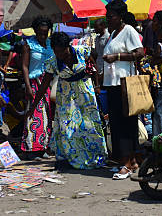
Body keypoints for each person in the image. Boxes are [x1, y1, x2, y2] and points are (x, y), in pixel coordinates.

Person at [27, 32, 107, 169]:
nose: (58, 54)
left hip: (85, 92)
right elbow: (44, 85)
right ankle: (72, 157)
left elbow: (94, 63)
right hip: (65, 96)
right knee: (68, 127)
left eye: (61, 51)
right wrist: (33, 106)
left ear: (67, 47)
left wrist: (97, 84)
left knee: (89, 124)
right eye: (55, 51)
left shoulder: (82, 51)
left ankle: (94, 155)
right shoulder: (52, 62)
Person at [101, 0, 144, 180]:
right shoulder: (112, 33)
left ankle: (126, 164)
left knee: (125, 124)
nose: (107, 19)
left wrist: (116, 56)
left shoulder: (129, 31)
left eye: (110, 16)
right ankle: (131, 161)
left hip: (124, 84)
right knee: (117, 124)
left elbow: (140, 52)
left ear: (120, 17)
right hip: (112, 84)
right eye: (107, 16)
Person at [21, 16, 54, 158]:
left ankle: (44, 146)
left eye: (45, 33)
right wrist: (28, 86)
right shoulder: (28, 44)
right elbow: (24, 66)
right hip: (34, 83)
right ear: (35, 31)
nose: (42, 35)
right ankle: (31, 148)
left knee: (47, 115)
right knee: (34, 115)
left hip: (48, 83)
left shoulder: (50, 44)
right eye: (40, 32)